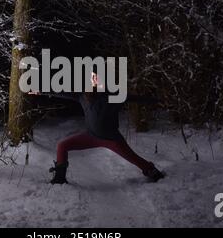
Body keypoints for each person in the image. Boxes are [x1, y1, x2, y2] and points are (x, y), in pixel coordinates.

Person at [29, 72, 165, 184]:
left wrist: (157, 101)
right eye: (92, 78)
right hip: (91, 136)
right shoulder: (83, 96)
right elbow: (61, 91)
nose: (94, 80)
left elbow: (136, 99)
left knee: (133, 158)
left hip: (112, 139)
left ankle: (152, 172)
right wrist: (40, 90)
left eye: (97, 77)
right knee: (62, 146)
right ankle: (59, 178)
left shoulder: (113, 97)